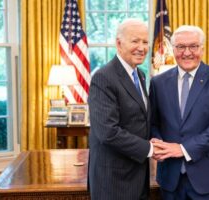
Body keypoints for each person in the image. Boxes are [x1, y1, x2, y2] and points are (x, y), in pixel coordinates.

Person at [149, 25, 209, 200]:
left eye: (193, 46)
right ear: (172, 49)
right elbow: (153, 122)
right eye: (181, 47)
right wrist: (157, 142)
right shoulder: (158, 82)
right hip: (170, 180)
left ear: (202, 48)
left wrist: (183, 149)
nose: (187, 52)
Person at [88, 18, 153, 200]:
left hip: (137, 174)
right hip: (113, 180)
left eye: (145, 42)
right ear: (118, 43)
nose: (141, 47)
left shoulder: (139, 74)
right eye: (135, 41)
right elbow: (108, 132)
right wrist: (150, 149)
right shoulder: (103, 77)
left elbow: (140, 120)